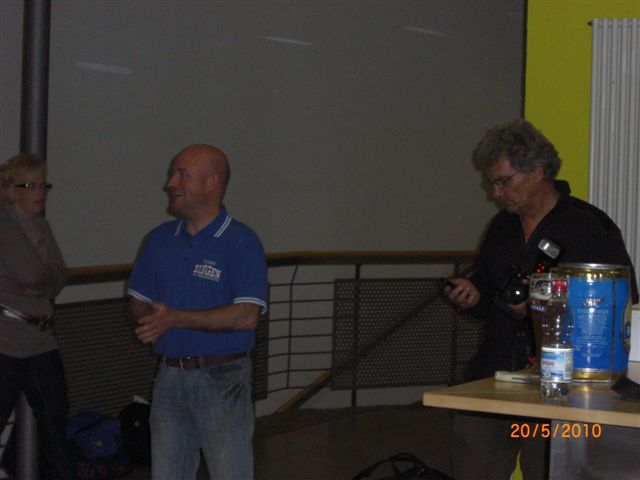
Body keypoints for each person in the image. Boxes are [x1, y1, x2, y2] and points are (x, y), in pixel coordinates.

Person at [443, 119, 638, 480]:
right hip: (495, 375)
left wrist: (544, 310)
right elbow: (489, 291)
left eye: (503, 181)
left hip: (560, 386)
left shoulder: (588, 227)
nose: (496, 193)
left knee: (547, 470)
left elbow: (620, 305)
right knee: (474, 464)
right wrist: (472, 295)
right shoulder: (502, 227)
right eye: (492, 183)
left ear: (537, 171)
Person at [127, 144, 268, 480]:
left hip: (223, 380)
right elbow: (136, 300)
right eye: (172, 174)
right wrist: (149, 316)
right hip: (169, 379)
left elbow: (247, 315)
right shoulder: (158, 240)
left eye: (182, 175)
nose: (170, 183)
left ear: (212, 182)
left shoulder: (241, 242)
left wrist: (176, 318)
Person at [0, 154, 72, 479]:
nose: (40, 192)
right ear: (11, 190)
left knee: (56, 421)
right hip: (7, 340)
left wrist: (44, 281)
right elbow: (32, 274)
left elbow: (59, 276)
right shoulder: (4, 225)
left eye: (44, 185)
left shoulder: (41, 225)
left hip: (41, 339)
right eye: (31, 185)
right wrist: (45, 279)